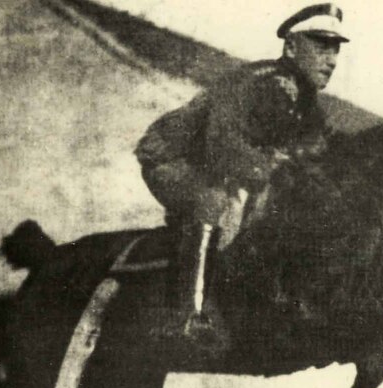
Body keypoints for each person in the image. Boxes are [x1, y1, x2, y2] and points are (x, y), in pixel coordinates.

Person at [135, 3, 349, 334]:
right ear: (291, 47)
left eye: (335, 50)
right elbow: (221, 144)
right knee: (215, 202)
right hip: (172, 159)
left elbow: (321, 150)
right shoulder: (259, 82)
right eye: (322, 47)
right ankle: (187, 315)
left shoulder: (307, 100)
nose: (332, 60)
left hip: (222, 167)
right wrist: (273, 168)